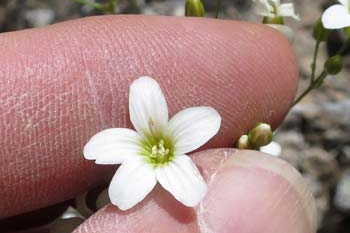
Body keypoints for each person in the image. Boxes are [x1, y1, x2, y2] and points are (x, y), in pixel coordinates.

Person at [0, 15, 316, 233]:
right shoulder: (147, 143)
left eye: (161, 149)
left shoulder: (174, 137)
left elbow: (203, 131)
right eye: (158, 150)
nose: (160, 149)